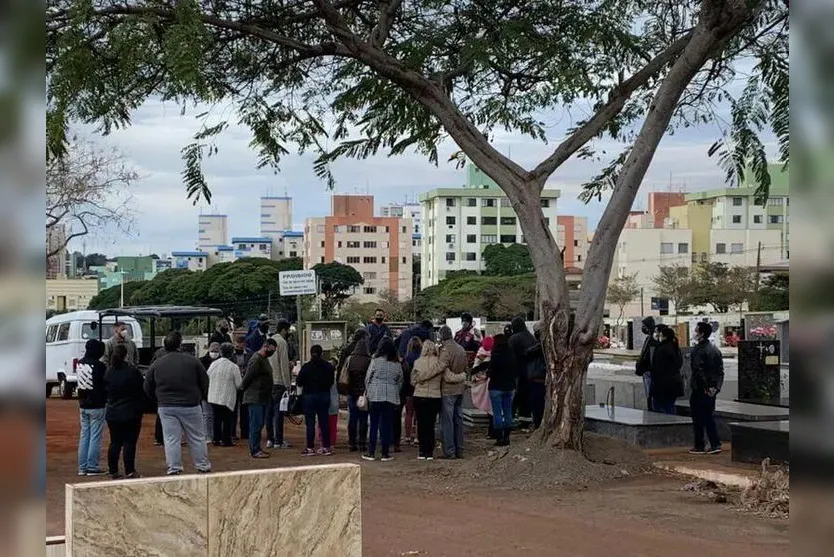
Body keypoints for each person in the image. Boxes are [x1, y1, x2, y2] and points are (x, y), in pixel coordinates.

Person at [144, 332, 212, 475]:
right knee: (197, 437)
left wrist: (159, 399)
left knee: (171, 439)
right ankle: (202, 466)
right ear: (180, 344)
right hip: (191, 405)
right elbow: (204, 382)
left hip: (166, 406)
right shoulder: (193, 361)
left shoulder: (157, 363)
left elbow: (147, 386)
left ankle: (174, 468)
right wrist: (199, 397)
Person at [103, 344, 145, 479]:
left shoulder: (109, 372)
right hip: (131, 412)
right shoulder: (133, 372)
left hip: (113, 412)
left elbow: (106, 391)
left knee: (115, 442)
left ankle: (113, 470)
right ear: (126, 355)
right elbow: (141, 390)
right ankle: (130, 470)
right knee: (129, 442)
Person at [362, 337, 402, 462]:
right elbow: (400, 380)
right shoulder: (397, 363)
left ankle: (371, 452)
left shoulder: (375, 361)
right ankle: (385, 453)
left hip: (375, 394)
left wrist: (368, 390)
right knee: (387, 425)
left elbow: (368, 377)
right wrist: (395, 390)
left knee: (373, 424)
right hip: (391, 395)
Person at [688, 322, 724, 455]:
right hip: (711, 389)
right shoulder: (715, 350)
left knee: (698, 417)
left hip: (700, 388)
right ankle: (715, 443)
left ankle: (699, 445)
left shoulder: (699, 350)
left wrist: (705, 386)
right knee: (708, 416)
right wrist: (715, 387)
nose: (695, 333)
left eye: (696, 331)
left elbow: (699, 370)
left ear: (701, 334)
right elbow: (720, 371)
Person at [240, 338, 277, 459]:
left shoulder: (264, 359)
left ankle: (256, 448)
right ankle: (254, 449)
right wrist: (242, 388)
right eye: (271, 349)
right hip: (255, 396)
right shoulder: (256, 359)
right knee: (256, 423)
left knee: (259, 423)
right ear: (265, 346)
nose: (272, 352)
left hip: (262, 396)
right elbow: (248, 376)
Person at [296, 344, 335, 456]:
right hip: (324, 396)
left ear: (310, 353)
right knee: (324, 422)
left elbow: (299, 382)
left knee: (310, 423)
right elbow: (331, 382)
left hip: (309, 397)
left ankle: (310, 448)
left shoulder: (306, 366)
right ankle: (326, 446)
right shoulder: (328, 366)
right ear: (321, 353)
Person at [76, 339, 108, 476]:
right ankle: (92, 466)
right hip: (97, 404)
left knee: (84, 436)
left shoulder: (80, 363)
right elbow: (104, 384)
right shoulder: (100, 366)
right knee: (95, 436)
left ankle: (82, 467)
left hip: (83, 403)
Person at [437, 325, 468, 459]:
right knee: (458, 420)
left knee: (447, 422)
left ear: (441, 336)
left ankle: (449, 451)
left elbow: (441, 370)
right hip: (460, 389)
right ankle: (460, 449)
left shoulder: (445, 351)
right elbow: (466, 368)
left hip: (447, 390)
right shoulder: (461, 349)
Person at [411, 340, 444, 460]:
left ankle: (421, 451)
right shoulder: (439, 363)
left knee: (421, 424)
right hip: (434, 396)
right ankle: (429, 452)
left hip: (419, 395)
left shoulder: (417, 362)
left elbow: (413, 381)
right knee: (430, 425)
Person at [207, 342, 242, 446]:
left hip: (213, 395)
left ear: (221, 352)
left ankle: (216, 439)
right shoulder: (234, 367)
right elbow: (239, 384)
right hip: (227, 397)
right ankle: (226, 440)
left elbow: (207, 376)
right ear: (231, 353)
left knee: (216, 418)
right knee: (227, 419)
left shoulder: (214, 364)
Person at [266, 319, 293, 449]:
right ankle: (278, 441)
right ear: (283, 330)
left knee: (269, 412)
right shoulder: (282, 342)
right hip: (279, 382)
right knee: (279, 412)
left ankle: (270, 439)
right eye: (287, 330)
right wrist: (287, 383)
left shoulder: (269, 341)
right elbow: (283, 365)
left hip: (268, 381)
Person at [487, 334, 517, 446]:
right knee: (508, 412)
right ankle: (507, 437)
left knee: (497, 413)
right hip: (509, 386)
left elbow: (491, 372)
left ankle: (499, 437)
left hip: (496, 386)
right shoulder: (511, 354)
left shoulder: (495, 355)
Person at [344, 337, 372, 452]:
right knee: (363, 418)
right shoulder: (369, 360)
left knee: (353, 418)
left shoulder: (350, 359)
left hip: (351, 391)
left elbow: (344, 374)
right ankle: (362, 442)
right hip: (364, 393)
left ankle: (352, 442)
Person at [650, 326, 684, 415]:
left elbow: (657, 367)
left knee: (660, 407)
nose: (658, 336)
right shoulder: (675, 347)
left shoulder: (662, 348)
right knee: (670, 406)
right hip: (674, 383)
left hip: (663, 384)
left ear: (664, 336)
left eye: (660, 335)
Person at [508, 317, 535, 422]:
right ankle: (525, 418)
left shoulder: (514, 338)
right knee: (526, 396)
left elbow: (510, 356)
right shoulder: (531, 337)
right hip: (530, 371)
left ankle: (511, 416)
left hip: (517, 371)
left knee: (515, 395)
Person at [397, 336, 422, 447]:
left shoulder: (406, 360)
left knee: (408, 413)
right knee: (418, 413)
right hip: (419, 388)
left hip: (408, 389)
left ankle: (407, 436)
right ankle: (417, 437)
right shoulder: (421, 360)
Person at [231, 334, 253, 440]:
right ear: (233, 344)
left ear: (244, 345)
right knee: (233, 410)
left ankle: (245, 432)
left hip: (246, 384)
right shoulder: (230, 354)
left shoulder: (250, 353)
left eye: (241, 347)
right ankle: (232, 433)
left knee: (245, 410)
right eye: (237, 347)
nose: (239, 348)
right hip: (233, 385)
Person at [525, 325, 547, 430]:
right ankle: (537, 422)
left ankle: (538, 423)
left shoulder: (540, 348)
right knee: (537, 403)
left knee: (538, 403)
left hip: (538, 377)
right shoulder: (536, 347)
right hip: (537, 377)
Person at [199, 342, 221, 443]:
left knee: (217, 415)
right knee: (207, 415)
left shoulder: (222, 361)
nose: (214, 353)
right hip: (206, 392)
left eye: (216, 351)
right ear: (208, 350)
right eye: (212, 351)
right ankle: (207, 435)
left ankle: (216, 435)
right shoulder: (201, 361)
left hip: (218, 391)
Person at [635, 316, 658, 411]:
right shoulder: (648, 339)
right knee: (648, 393)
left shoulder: (652, 340)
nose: (643, 328)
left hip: (648, 370)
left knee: (650, 392)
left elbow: (648, 356)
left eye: (644, 326)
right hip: (645, 370)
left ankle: (652, 408)